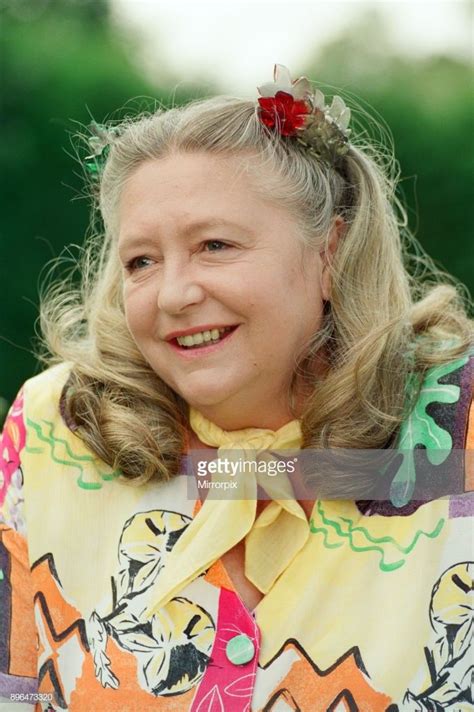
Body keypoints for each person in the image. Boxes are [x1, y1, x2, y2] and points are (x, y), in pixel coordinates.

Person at [0, 64, 472, 711]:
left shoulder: (460, 423)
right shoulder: (56, 426)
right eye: (141, 260)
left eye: (214, 245)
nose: (174, 294)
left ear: (329, 253)